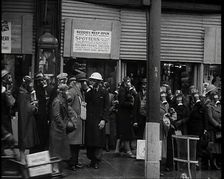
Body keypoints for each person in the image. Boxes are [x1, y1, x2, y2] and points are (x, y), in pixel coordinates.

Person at [85, 72, 110, 169]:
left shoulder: (104, 92)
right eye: (91, 80)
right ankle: (91, 159)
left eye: (94, 80)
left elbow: (106, 107)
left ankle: (97, 160)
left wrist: (104, 120)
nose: (92, 82)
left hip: (99, 120)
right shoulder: (89, 92)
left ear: (98, 82)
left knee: (98, 142)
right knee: (90, 142)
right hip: (90, 121)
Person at [17, 76, 39, 163]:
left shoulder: (25, 93)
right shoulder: (23, 94)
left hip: (27, 120)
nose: (31, 86)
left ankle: (25, 159)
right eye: (30, 83)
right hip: (25, 121)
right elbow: (27, 108)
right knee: (25, 138)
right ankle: (23, 159)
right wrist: (34, 106)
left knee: (27, 139)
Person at [49, 83, 71, 172]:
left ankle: (58, 168)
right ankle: (55, 168)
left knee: (60, 149)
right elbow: (56, 115)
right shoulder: (57, 101)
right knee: (56, 150)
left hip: (60, 129)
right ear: (61, 92)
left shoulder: (62, 100)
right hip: (56, 129)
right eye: (66, 90)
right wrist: (63, 126)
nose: (68, 92)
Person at [66, 74, 86, 171]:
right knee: (73, 143)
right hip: (74, 122)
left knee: (76, 144)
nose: (85, 83)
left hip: (78, 121)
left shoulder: (79, 92)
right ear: (79, 83)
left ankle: (75, 161)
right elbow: (67, 105)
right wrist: (73, 115)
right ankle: (71, 163)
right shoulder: (72, 91)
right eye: (83, 82)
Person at [117, 77, 137, 158]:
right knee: (126, 133)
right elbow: (122, 102)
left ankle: (122, 149)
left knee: (126, 133)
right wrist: (130, 104)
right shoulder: (122, 90)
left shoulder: (127, 90)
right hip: (124, 114)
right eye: (127, 82)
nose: (129, 83)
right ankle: (127, 150)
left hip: (127, 114)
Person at [187, 90, 208, 170]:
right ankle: (192, 162)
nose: (195, 97)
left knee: (198, 146)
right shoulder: (191, 105)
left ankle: (197, 163)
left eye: (197, 96)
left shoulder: (201, 106)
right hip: (192, 128)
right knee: (192, 146)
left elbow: (205, 117)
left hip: (199, 129)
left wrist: (205, 129)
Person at [205, 90, 221, 170]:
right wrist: (218, 125)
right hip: (213, 129)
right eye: (214, 96)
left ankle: (218, 162)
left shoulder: (219, 105)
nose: (216, 97)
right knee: (213, 147)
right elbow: (210, 118)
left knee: (219, 146)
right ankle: (212, 163)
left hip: (219, 130)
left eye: (217, 95)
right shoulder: (209, 106)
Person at [33, 72, 49, 152]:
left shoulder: (43, 89)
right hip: (39, 116)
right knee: (39, 135)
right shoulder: (36, 90)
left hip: (43, 116)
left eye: (43, 80)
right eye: (42, 80)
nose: (43, 81)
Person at [1, 69, 15, 134]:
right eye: (9, 77)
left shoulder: (5, 88)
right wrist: (10, 90)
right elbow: (11, 102)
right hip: (4, 117)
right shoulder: (3, 90)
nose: (10, 79)